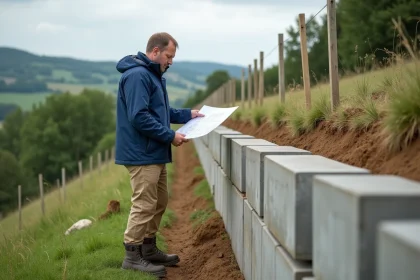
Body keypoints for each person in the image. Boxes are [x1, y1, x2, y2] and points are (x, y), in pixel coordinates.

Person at [114, 32, 204, 278]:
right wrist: (170, 136)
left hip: (153, 152)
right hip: (142, 154)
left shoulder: (152, 75)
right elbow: (139, 116)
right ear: (155, 51)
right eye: (169, 56)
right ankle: (132, 257)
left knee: (159, 201)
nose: (171, 61)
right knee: (144, 204)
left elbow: (159, 112)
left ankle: (148, 248)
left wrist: (188, 114)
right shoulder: (137, 76)